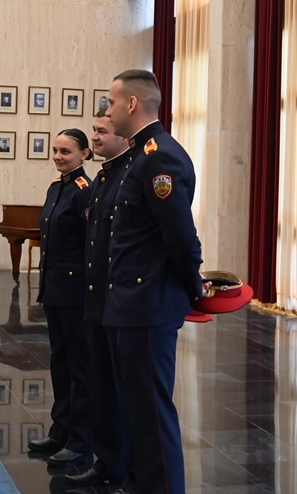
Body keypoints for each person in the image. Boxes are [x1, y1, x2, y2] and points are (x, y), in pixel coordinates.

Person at [102, 70, 204, 494]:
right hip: (129, 302)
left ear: (131, 104)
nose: (106, 111)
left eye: (110, 103)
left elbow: (180, 235)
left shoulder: (159, 156)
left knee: (153, 414)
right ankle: (140, 483)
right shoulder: (140, 156)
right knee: (134, 410)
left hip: (147, 303)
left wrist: (193, 288)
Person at [64, 108, 131, 488]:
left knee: (122, 392)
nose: (97, 137)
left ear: (123, 135)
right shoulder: (105, 178)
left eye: (103, 131)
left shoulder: (128, 174)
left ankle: (123, 467)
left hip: (121, 298)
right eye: (94, 131)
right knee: (99, 384)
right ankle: (106, 461)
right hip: (97, 297)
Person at [27, 128, 93, 466]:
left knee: (80, 366)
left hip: (75, 290)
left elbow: (90, 244)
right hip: (54, 288)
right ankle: (60, 430)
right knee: (59, 361)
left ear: (84, 154)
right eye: (55, 150)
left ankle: (82, 439)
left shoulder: (85, 191)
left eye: (66, 151)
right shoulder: (57, 187)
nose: (58, 156)